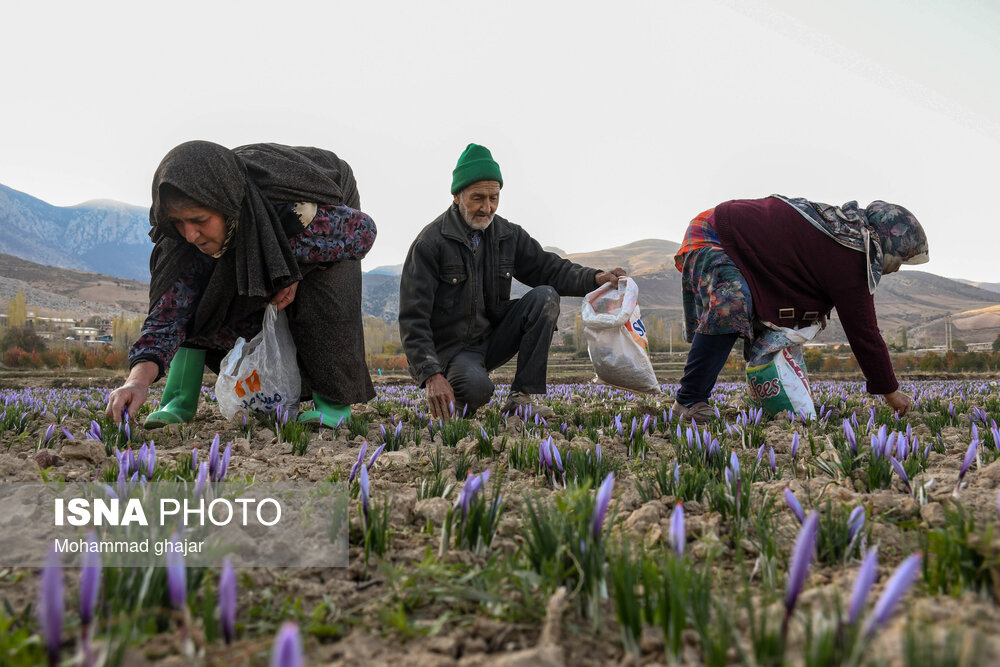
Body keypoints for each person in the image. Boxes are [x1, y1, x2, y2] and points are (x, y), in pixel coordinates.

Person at [105, 141, 377, 428]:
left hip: (328, 193)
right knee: (199, 297)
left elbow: (363, 233)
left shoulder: (294, 214)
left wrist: (294, 269)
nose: (190, 234)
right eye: (179, 222)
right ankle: (177, 401)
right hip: (251, 223)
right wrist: (136, 382)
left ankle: (332, 405)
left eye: (199, 220)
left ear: (227, 207)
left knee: (324, 290)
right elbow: (167, 317)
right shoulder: (179, 242)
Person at [399, 143, 626, 419]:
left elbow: (548, 268)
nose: (487, 207)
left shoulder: (506, 235)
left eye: (494, 198)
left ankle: (521, 396)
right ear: (457, 196)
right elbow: (413, 318)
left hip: (493, 337)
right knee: (476, 390)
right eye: (478, 198)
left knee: (545, 297)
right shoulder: (430, 244)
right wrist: (431, 374)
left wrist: (594, 278)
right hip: (454, 350)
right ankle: (456, 393)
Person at [672, 195, 928, 421]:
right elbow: (864, 333)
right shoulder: (850, 253)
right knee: (731, 305)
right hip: (715, 233)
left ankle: (787, 403)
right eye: (900, 259)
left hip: (740, 244)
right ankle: (688, 400)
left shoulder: (845, 237)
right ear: (889, 245)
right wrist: (891, 392)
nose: (897, 268)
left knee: (788, 326)